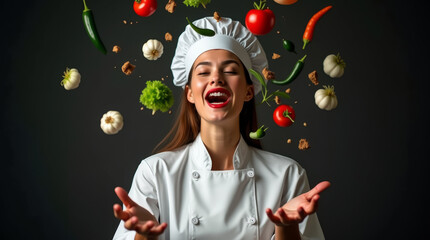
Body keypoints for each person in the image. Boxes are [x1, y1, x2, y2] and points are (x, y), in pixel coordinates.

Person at [112, 16, 330, 240]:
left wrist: (287, 229)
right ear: (189, 93)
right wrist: (143, 236)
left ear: (248, 90)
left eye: (230, 71)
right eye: (204, 72)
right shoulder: (155, 172)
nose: (216, 78)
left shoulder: (287, 175)